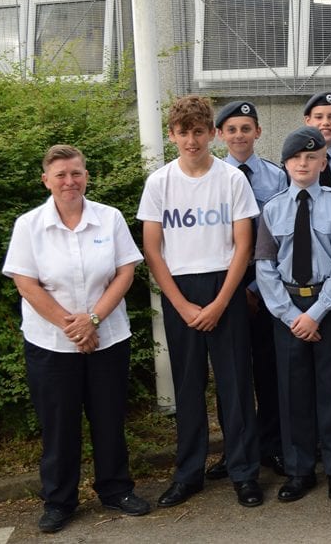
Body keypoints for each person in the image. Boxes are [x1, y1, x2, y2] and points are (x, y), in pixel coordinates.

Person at [3, 144, 151, 534]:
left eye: (76, 173)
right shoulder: (29, 225)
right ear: (46, 180)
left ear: (86, 175)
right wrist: (74, 327)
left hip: (108, 338)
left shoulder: (110, 218)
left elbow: (125, 273)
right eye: (61, 175)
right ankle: (59, 500)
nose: (70, 181)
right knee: (59, 424)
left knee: (108, 417)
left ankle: (116, 489)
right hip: (50, 344)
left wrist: (94, 319)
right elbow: (26, 284)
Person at [137, 95, 263, 508]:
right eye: (182, 132)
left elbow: (244, 245)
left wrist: (221, 302)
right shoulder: (159, 182)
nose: (191, 140)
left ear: (212, 133)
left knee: (236, 386)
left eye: (198, 132)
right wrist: (182, 305)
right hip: (181, 293)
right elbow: (153, 250)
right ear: (172, 135)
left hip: (224, 288)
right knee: (188, 388)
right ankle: (188, 473)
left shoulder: (231, 179)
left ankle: (245, 472)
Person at [255, 126, 331, 503]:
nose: (303, 162)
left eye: (311, 156)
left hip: (326, 307)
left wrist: (316, 312)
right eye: (296, 157)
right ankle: (299, 470)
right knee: (292, 392)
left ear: (323, 161)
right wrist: (289, 315)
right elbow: (264, 265)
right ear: (285, 163)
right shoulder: (273, 208)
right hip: (287, 310)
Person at [203, 101, 288, 481]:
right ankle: (236, 449)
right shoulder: (210, 178)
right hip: (225, 285)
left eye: (246, 128)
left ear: (258, 132)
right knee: (230, 373)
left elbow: (286, 234)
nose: (239, 135)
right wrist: (237, 289)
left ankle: (273, 445)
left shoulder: (277, 176)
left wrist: (257, 286)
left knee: (270, 371)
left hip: (267, 283)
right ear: (220, 135)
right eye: (232, 129)